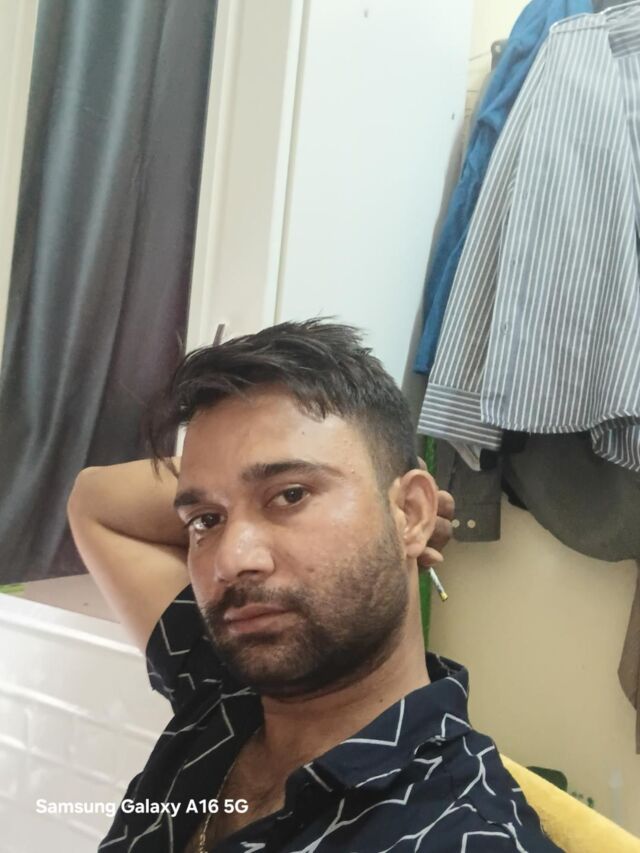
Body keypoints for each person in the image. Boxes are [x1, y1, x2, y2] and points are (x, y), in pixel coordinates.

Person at [67, 319, 562, 852]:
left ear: (413, 511)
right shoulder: (224, 692)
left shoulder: (462, 836)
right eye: (206, 520)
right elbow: (93, 501)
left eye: (291, 495)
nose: (231, 561)